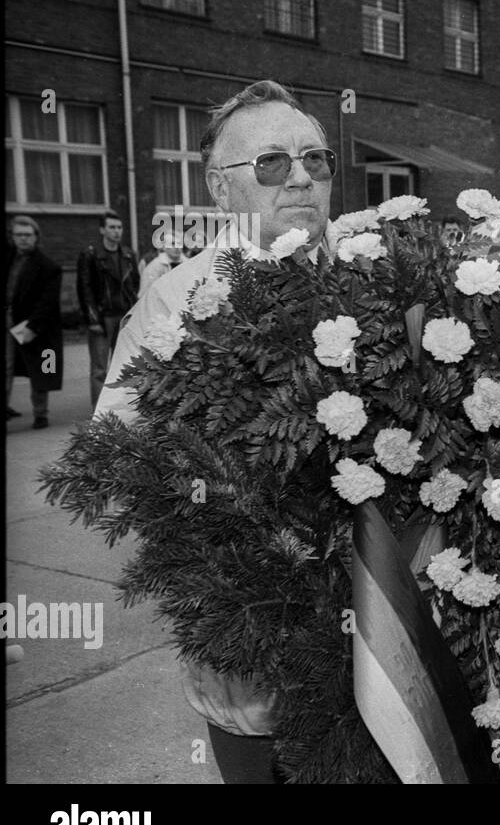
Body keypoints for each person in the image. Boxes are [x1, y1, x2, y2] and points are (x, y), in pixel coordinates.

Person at [95, 79, 335, 783]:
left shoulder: (378, 285)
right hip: (252, 639)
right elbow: (112, 454)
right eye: (271, 163)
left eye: (316, 160)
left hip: (377, 637)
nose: (300, 176)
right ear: (221, 188)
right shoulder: (174, 301)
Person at [6, 216, 63, 429]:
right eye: (18, 235)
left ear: (36, 237)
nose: (23, 239)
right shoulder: (10, 259)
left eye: (28, 235)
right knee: (7, 366)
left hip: (32, 324)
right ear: (12, 237)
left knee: (41, 369)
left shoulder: (48, 266)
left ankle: (41, 413)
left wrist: (32, 326)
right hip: (9, 318)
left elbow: (48, 302)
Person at [77, 210, 138, 408]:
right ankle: (98, 412)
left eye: (119, 227)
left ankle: (120, 408)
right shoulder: (91, 254)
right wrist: (92, 320)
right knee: (99, 369)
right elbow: (85, 289)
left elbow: (133, 285)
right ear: (102, 229)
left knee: (123, 366)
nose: (116, 232)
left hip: (123, 316)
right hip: (102, 318)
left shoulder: (128, 255)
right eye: (112, 227)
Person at [138, 230, 189, 297]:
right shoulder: (153, 267)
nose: (177, 247)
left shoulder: (189, 264)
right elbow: (145, 294)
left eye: (179, 243)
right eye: (172, 244)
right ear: (164, 247)